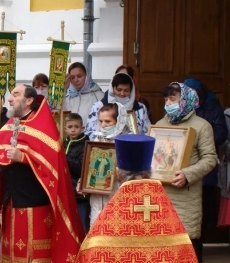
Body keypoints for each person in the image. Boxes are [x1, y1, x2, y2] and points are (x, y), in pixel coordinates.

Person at [0, 85, 85, 263]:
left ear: (29, 100)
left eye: (15, 95)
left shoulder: (43, 126)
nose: (9, 99)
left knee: (34, 253)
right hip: (11, 200)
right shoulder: (11, 124)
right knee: (12, 253)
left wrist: (23, 157)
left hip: (36, 202)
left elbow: (52, 165)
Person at [75, 134, 198, 263]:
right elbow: (182, 251)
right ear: (149, 172)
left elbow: (93, 250)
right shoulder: (162, 203)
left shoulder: (114, 209)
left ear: (118, 173)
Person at [156, 82, 217, 262]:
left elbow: (210, 158)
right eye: (166, 98)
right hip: (163, 193)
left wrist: (187, 174)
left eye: (172, 98)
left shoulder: (202, 126)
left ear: (185, 100)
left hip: (186, 195)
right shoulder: (160, 123)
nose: (168, 103)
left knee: (187, 246)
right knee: (164, 245)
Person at [184, 78, 228, 238]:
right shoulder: (180, 109)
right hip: (183, 166)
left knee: (203, 206)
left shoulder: (212, 107)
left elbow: (221, 133)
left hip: (203, 165)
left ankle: (199, 241)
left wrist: (200, 140)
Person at [80, 102, 131, 226]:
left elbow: (139, 174)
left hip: (118, 200)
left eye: (108, 122)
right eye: (101, 121)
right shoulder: (97, 140)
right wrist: (83, 183)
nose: (103, 125)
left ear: (119, 120)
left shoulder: (129, 142)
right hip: (97, 201)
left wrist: (123, 173)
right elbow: (90, 167)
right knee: (96, 238)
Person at [85, 72, 150, 140]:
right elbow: (88, 133)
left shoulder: (140, 108)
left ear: (131, 90)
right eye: (119, 90)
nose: (122, 93)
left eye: (126, 90)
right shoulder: (98, 107)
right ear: (112, 89)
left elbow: (147, 132)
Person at [63, 112, 90, 232]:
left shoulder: (86, 145)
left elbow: (81, 167)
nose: (73, 130)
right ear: (65, 129)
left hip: (79, 194)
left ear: (82, 128)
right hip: (65, 191)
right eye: (70, 127)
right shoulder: (63, 143)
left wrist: (64, 157)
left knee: (81, 225)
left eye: (76, 127)